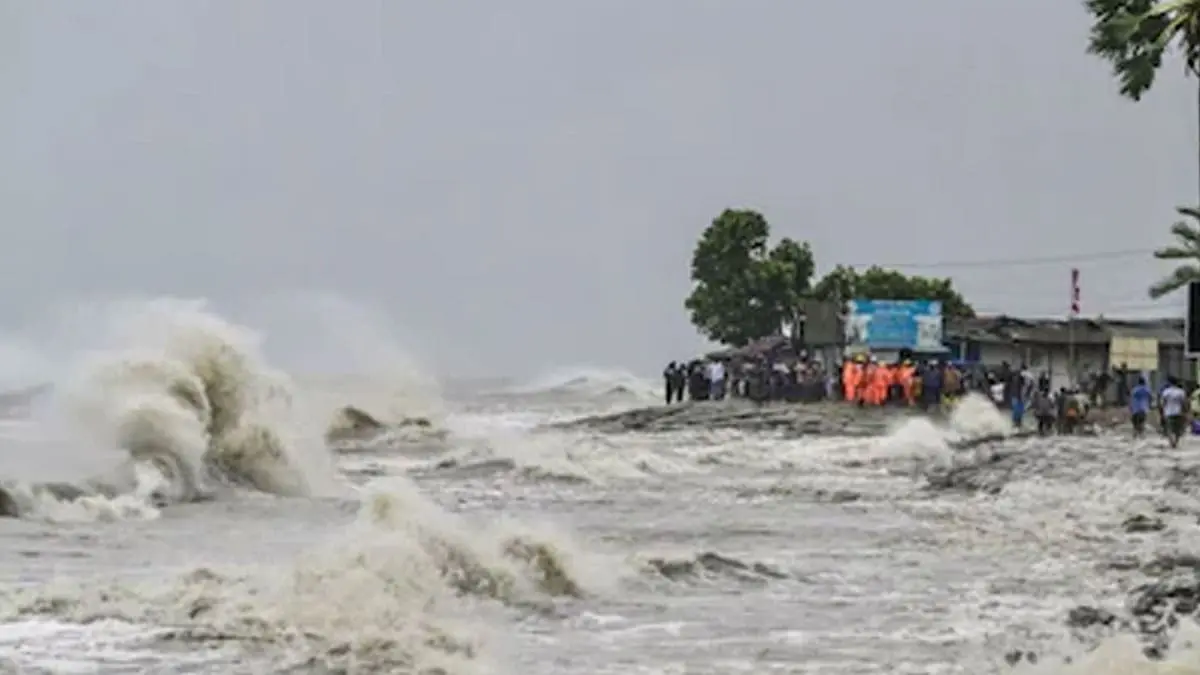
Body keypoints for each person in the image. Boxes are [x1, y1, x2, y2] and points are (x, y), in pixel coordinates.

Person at [1160, 377, 1189, 446]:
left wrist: (1162, 411)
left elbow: (1162, 402)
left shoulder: (1166, 391)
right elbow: (1184, 403)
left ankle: (1171, 442)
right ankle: (1176, 441)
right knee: (1177, 429)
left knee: (1169, 428)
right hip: (1178, 412)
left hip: (1168, 412)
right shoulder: (1181, 392)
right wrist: (1185, 411)